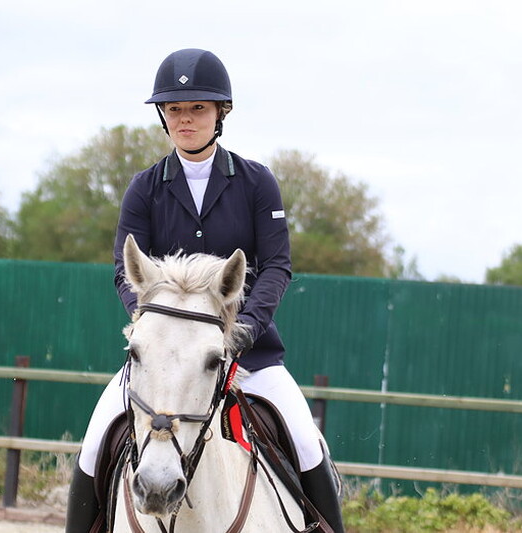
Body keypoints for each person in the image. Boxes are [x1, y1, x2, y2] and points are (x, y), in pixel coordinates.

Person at [65, 48, 345, 533]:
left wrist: (246, 331)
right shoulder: (144, 188)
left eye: (197, 108)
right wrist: (150, 323)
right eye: (175, 109)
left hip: (248, 355)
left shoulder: (257, 183)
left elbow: (276, 265)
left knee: (305, 440)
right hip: (162, 362)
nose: (185, 119)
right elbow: (123, 269)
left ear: (221, 114)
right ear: (162, 116)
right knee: (93, 445)